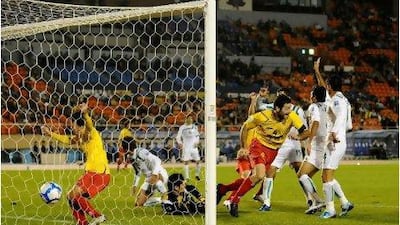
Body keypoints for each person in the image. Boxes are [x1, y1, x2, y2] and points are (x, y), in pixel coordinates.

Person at [218, 94, 310, 217]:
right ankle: (233, 201)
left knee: (253, 179)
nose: (289, 112)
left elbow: (305, 131)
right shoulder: (263, 116)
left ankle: (223, 189)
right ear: (277, 108)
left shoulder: (292, 116)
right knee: (260, 175)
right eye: (286, 109)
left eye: (290, 108)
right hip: (259, 146)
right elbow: (245, 127)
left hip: (274, 151)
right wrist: (244, 147)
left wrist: (299, 137)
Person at [42, 103, 109, 225]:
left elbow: (89, 126)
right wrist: (50, 134)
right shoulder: (79, 137)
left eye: (73, 125)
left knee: (75, 194)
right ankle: (82, 222)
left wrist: (85, 114)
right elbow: (67, 140)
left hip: (99, 173)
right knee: (70, 196)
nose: (72, 128)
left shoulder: (91, 133)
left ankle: (98, 216)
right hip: (92, 173)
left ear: (78, 125)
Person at [252, 88, 311, 212]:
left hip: (293, 142)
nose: (280, 96)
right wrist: (257, 98)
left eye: (282, 95)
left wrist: (306, 144)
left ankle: (310, 198)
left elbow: (304, 129)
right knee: (271, 171)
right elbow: (255, 112)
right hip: (280, 143)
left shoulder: (296, 110)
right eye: (279, 95)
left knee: (299, 172)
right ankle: (266, 201)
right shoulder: (272, 108)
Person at [319, 74, 354, 219]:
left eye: (327, 84)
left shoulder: (337, 101)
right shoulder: (342, 100)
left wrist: (333, 133)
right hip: (338, 140)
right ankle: (345, 203)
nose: (326, 87)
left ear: (330, 86)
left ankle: (330, 209)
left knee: (326, 175)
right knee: (326, 175)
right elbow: (349, 124)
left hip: (335, 141)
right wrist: (317, 71)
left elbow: (340, 118)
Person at [296, 85, 330, 214]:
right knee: (307, 176)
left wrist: (309, 142)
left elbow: (315, 123)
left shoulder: (313, 107)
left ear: (314, 97)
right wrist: (317, 70)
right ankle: (315, 202)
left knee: (302, 175)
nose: (310, 96)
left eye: (311, 94)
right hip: (325, 145)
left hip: (316, 146)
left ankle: (318, 200)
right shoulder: (327, 104)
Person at [121, 136, 168, 207]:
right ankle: (160, 200)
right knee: (138, 204)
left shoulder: (141, 152)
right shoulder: (130, 157)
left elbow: (157, 160)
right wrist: (135, 185)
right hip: (148, 179)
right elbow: (137, 172)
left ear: (125, 148)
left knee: (156, 181)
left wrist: (154, 174)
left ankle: (165, 194)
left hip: (160, 173)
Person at [176, 115, 201, 181]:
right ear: (186, 119)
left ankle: (197, 175)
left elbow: (197, 136)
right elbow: (178, 137)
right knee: (186, 162)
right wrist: (180, 143)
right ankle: (187, 177)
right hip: (186, 147)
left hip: (194, 147)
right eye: (189, 118)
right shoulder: (182, 127)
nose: (191, 119)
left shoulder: (194, 127)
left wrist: (197, 142)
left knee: (198, 161)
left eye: (192, 118)